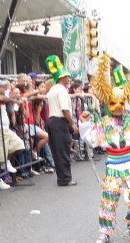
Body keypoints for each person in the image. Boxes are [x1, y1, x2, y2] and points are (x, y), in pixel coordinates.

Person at [91, 53, 130, 243]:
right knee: (109, 198)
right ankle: (105, 231)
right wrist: (85, 124)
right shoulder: (103, 122)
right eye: (113, 103)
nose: (117, 106)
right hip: (113, 164)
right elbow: (92, 140)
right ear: (107, 103)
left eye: (121, 103)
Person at [44, 56, 78, 187]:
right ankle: (66, 178)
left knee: (57, 151)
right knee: (63, 151)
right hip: (59, 121)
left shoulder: (52, 89)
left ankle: (61, 178)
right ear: (62, 78)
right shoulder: (62, 90)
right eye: (66, 76)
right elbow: (65, 110)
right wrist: (72, 124)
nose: (68, 79)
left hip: (52, 121)